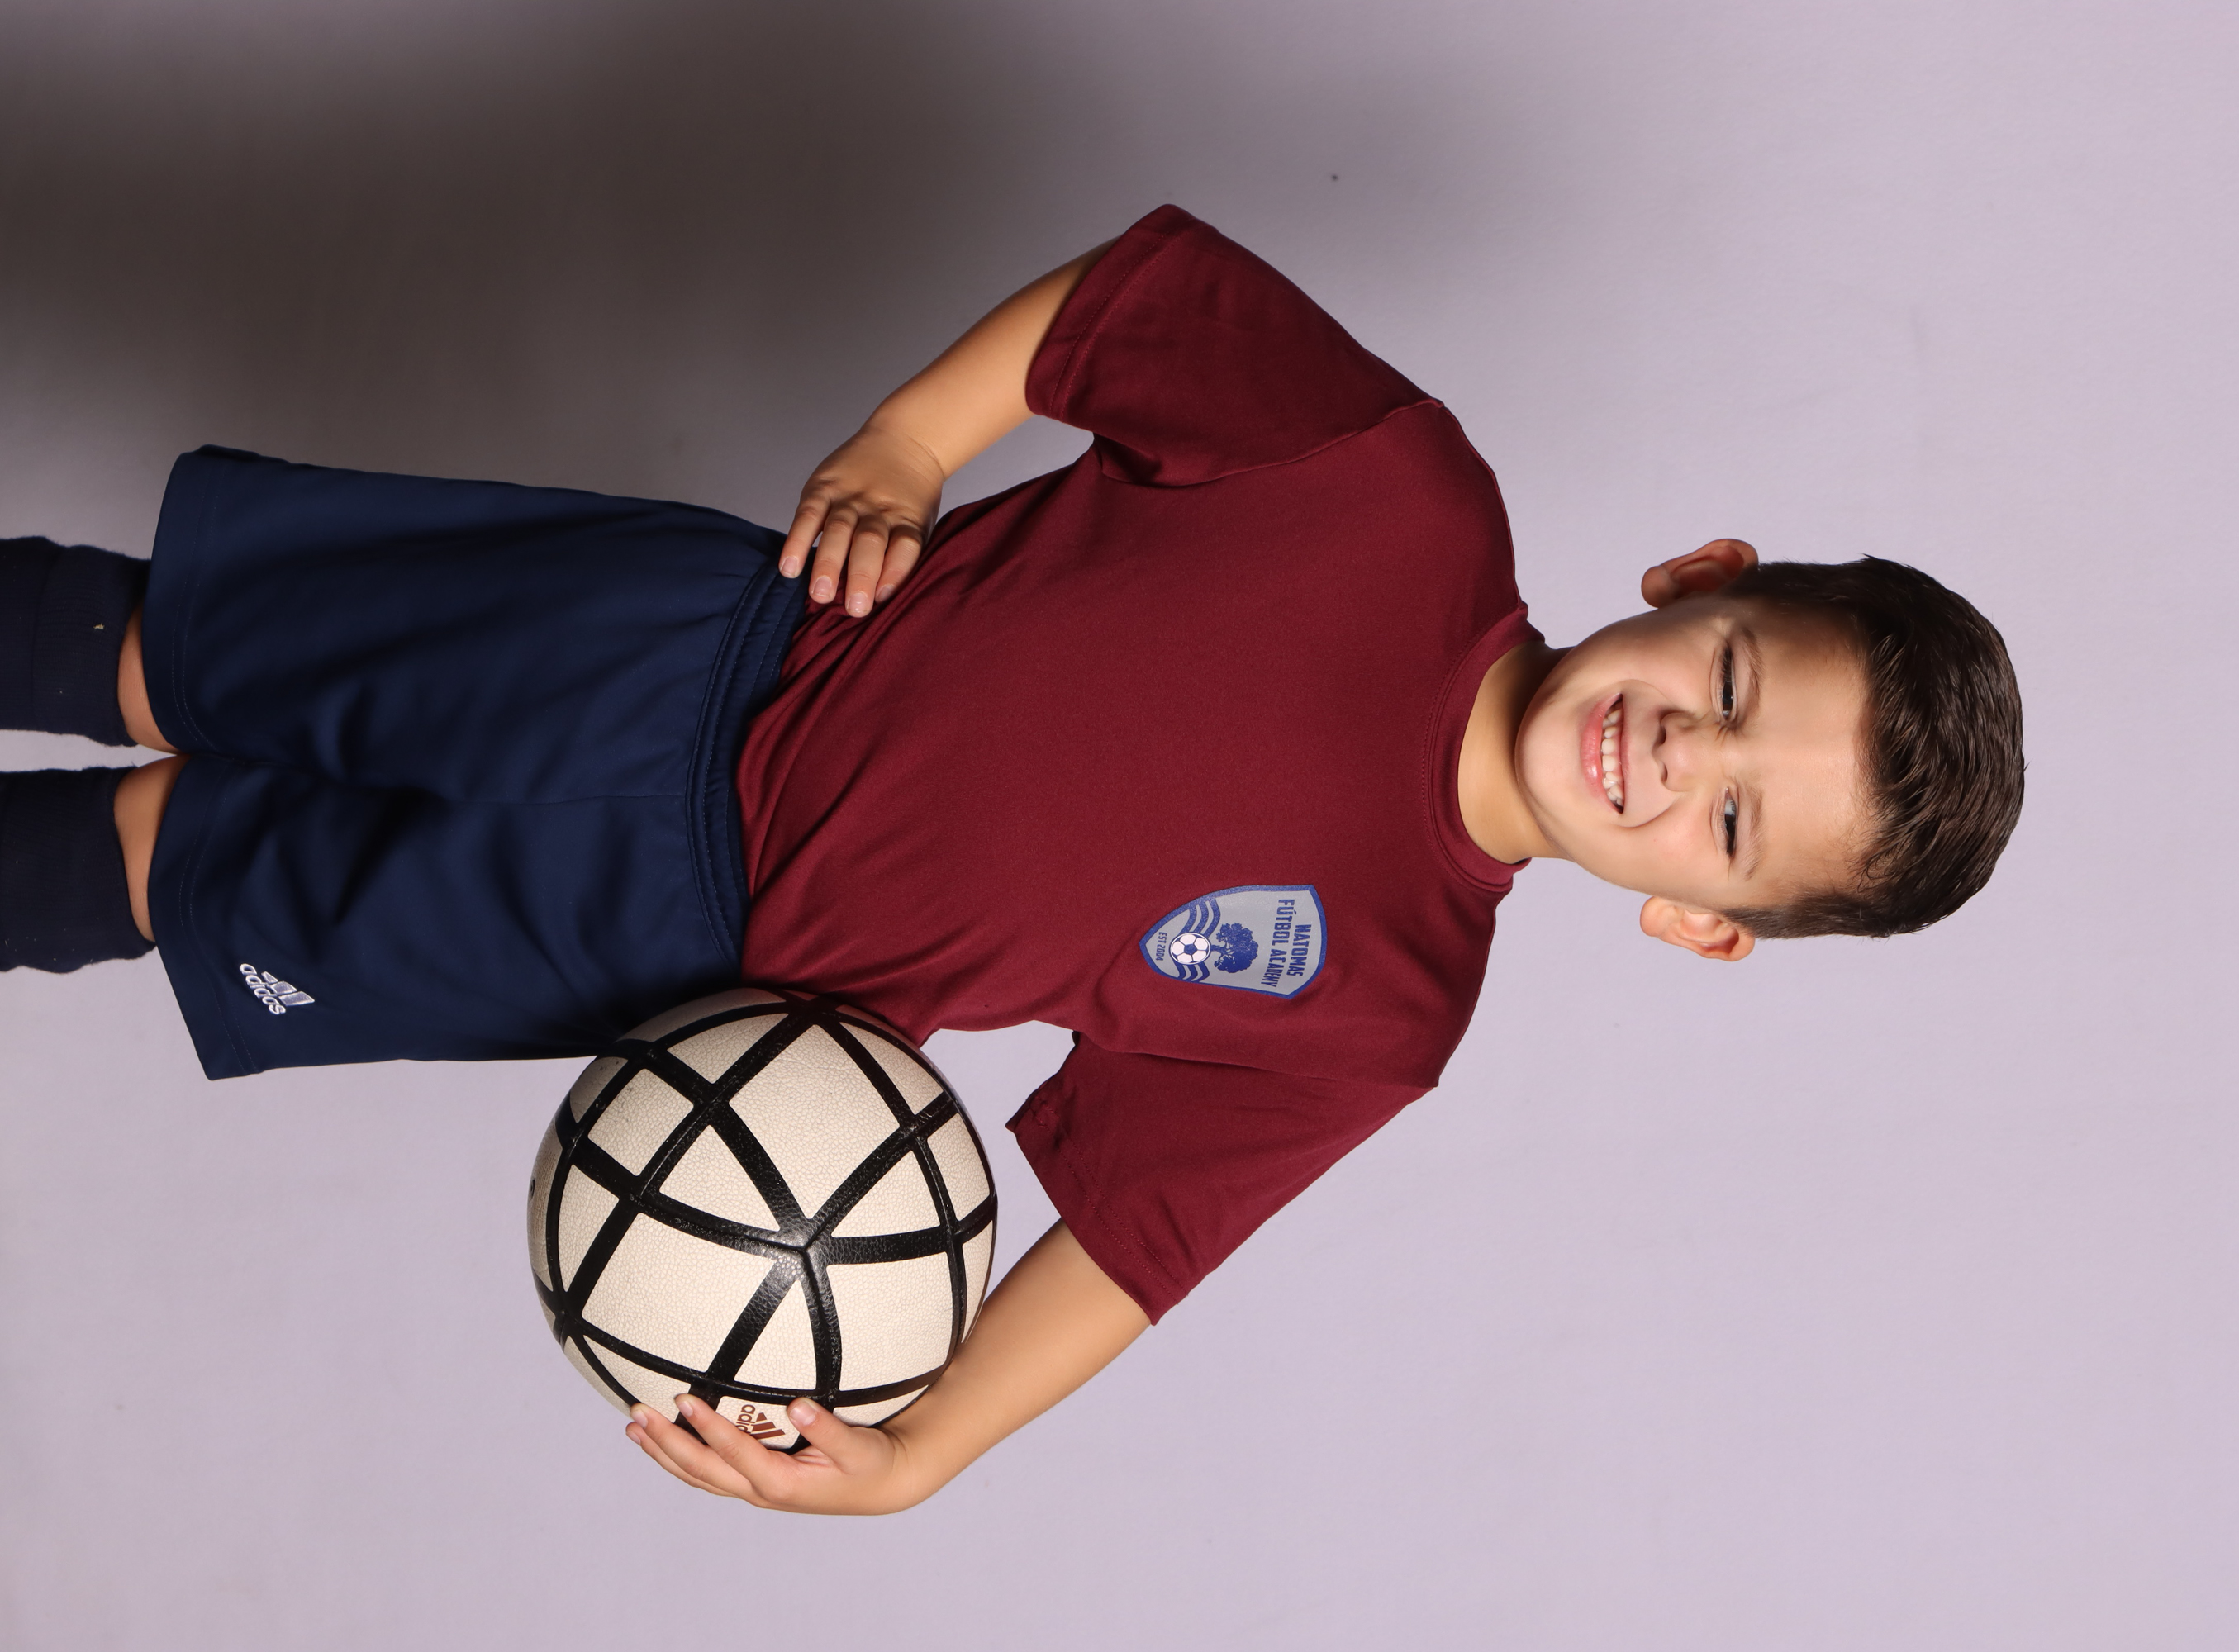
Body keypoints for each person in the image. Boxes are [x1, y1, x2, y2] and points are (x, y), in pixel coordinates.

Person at [0, 206, 2024, 1514]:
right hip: (676, 646)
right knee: (161, 647)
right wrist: (911, 440)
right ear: (1699, 574)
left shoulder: (1380, 1018)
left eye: (1733, 820)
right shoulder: (1396, 493)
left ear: (1700, 921)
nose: (1677, 752)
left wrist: (920, 1457)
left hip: (673, 952)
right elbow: (1127, 311)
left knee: (172, 871)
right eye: (1731, 679)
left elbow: (1131, 1249)